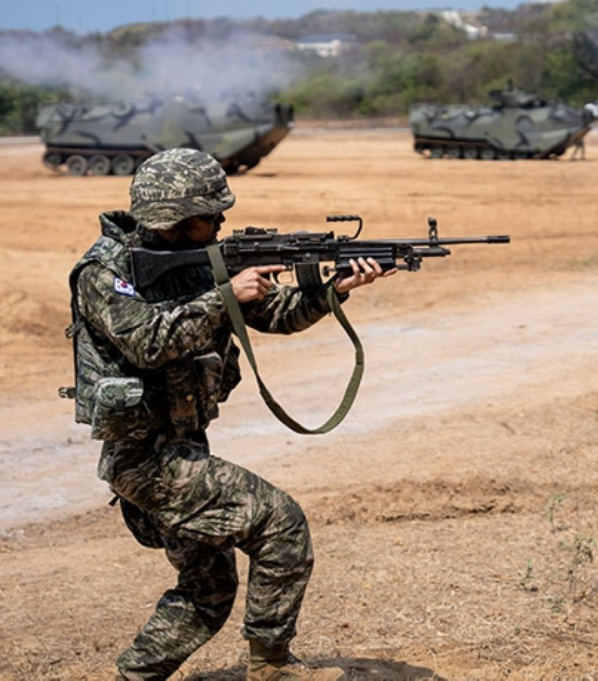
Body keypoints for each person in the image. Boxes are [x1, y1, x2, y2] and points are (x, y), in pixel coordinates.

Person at [67, 148, 393, 681]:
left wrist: (333, 290)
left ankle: (136, 676)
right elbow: (148, 342)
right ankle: (271, 668)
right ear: (172, 217)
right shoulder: (104, 272)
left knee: (207, 592)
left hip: (183, 449)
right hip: (144, 459)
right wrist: (226, 297)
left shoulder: (206, 260)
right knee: (280, 524)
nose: (220, 222)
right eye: (210, 214)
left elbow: (278, 316)